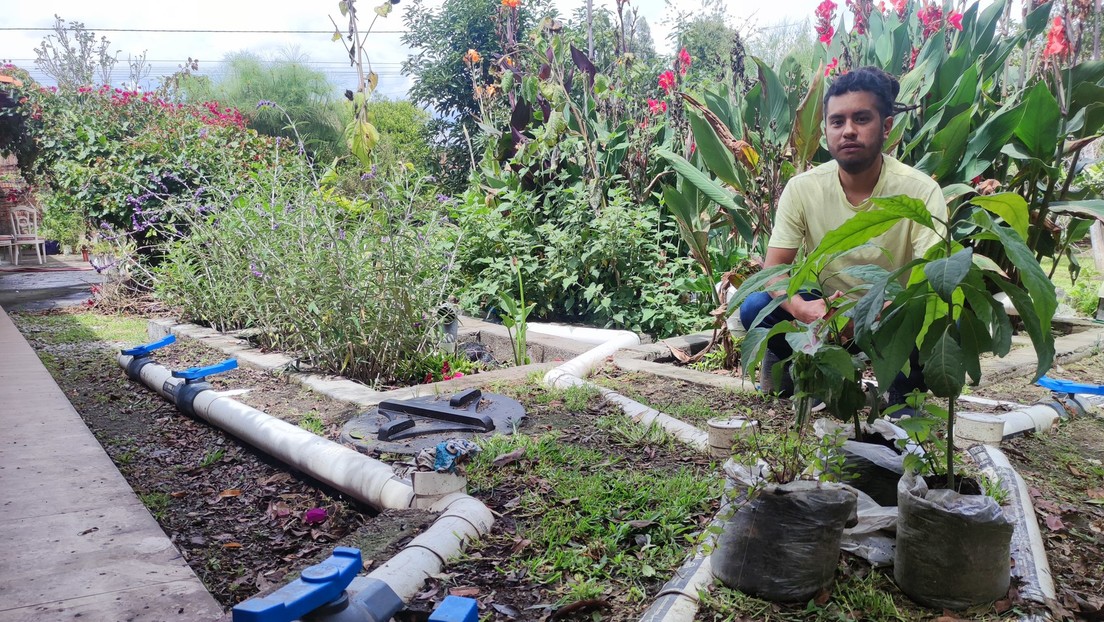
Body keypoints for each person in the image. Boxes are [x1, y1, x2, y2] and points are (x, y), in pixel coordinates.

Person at [739, 66, 947, 408]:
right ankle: (807, 374)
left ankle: (901, 396)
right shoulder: (803, 188)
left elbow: (932, 282)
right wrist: (802, 308)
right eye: (837, 122)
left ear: (886, 126)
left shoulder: (919, 192)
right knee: (757, 307)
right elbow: (774, 268)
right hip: (825, 316)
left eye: (862, 119)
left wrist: (867, 314)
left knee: (926, 331)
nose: (848, 131)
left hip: (891, 316)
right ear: (825, 132)